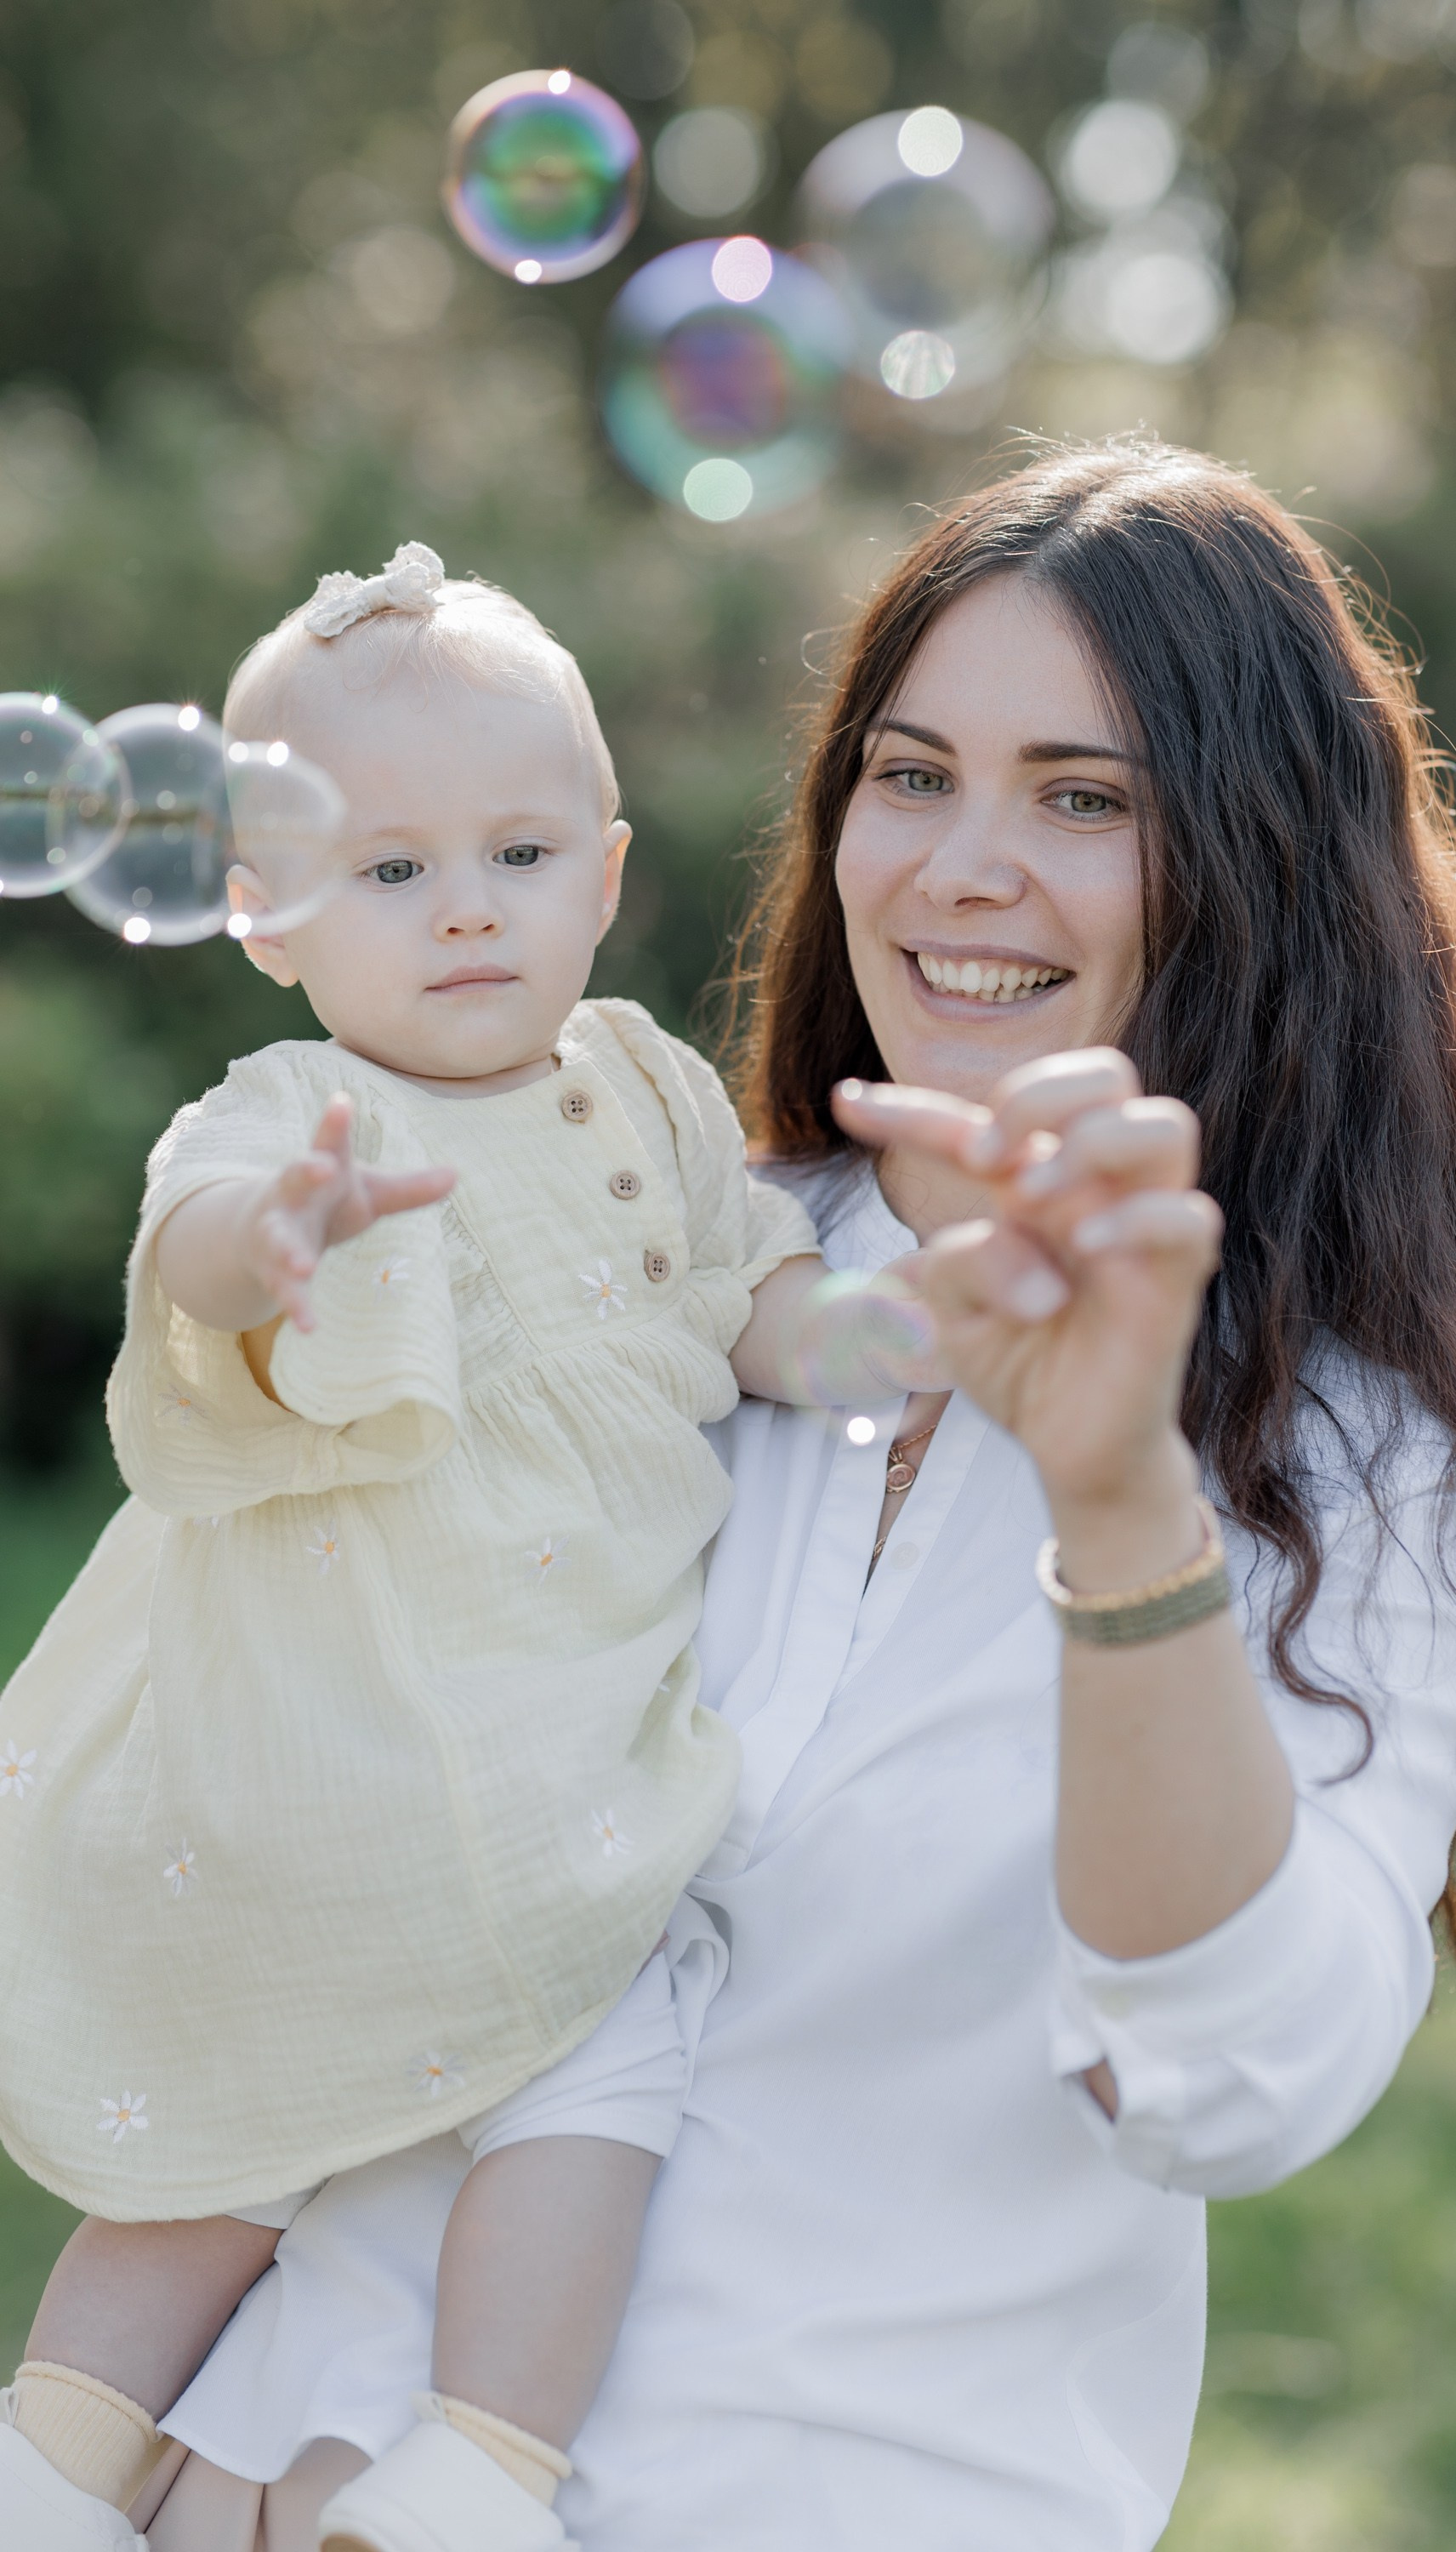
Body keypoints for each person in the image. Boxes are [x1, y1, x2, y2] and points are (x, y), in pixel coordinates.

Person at [134, 441, 1456, 2550]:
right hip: (290, 2464)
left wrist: (1119, 1501)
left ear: (1259, 861)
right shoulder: (648, 1270)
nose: (957, 868)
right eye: (910, 776)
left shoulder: (1355, 1458)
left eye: (1083, 798)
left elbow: (1232, 2083)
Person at [0, 546, 933, 2552]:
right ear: (261, 912)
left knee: (517, 2096)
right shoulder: (289, 1105)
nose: (466, 913)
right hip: (332, 1747)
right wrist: (274, 1250)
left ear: (601, 877)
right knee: (272, 2139)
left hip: (537, 1736)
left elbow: (755, 1302)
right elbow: (196, 1273)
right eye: (392, 872)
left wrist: (879, 1341)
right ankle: (90, 2458)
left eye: (515, 856)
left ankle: (448, 2462)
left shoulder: (652, 1097)